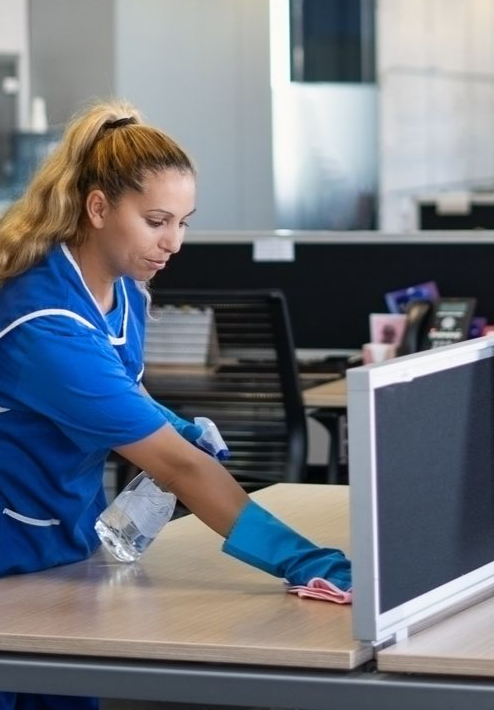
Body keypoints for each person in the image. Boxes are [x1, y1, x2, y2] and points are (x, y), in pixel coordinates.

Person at [0, 101, 351, 710]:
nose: (174, 242)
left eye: (184, 222)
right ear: (99, 207)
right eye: (157, 220)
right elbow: (180, 470)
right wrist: (306, 561)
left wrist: (169, 424)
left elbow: (115, 388)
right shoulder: (44, 322)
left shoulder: (126, 291)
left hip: (59, 552)